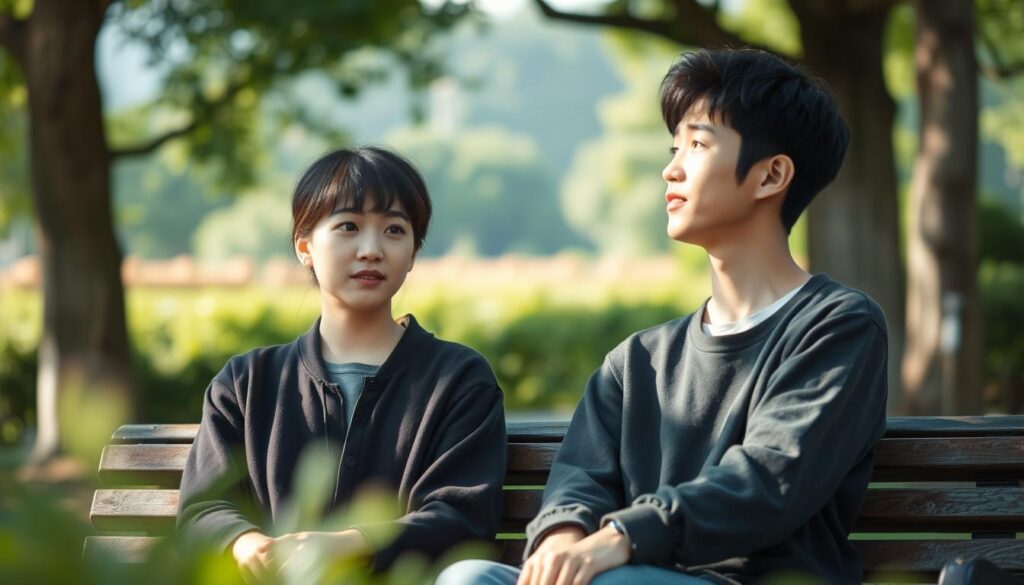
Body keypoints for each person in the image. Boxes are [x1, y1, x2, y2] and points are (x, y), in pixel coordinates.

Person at [437, 48, 887, 585]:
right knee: (468, 579)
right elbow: (580, 478)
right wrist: (563, 539)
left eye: (696, 145)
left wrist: (622, 539)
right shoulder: (637, 361)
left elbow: (770, 479)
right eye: (674, 147)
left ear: (771, 176)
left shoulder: (838, 326)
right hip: (629, 576)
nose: (670, 169)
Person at [177, 147, 507, 582]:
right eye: (348, 226)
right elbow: (203, 507)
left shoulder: (460, 379)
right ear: (304, 246)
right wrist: (244, 543)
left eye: (394, 230)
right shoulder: (246, 382)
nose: (371, 250)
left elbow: (462, 516)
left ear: (412, 254)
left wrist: (348, 543)